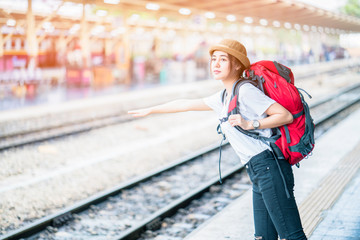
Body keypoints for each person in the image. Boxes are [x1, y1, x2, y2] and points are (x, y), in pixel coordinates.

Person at [128, 39, 307, 240]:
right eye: (214, 59)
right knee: (263, 237)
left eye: (223, 60)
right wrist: (152, 109)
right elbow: (186, 104)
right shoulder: (224, 96)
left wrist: (250, 124)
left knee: (292, 236)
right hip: (258, 170)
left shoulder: (245, 91)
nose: (216, 64)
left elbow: (285, 116)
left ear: (237, 64)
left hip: (269, 167)